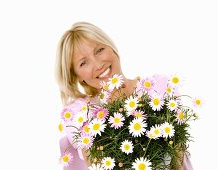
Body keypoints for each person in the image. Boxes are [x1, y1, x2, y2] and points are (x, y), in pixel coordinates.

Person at [55, 21, 193, 170]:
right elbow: (95, 162)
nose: (98, 64)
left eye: (99, 50)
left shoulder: (159, 87)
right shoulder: (79, 113)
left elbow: (176, 154)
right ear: (76, 76)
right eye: (83, 63)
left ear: (112, 48)